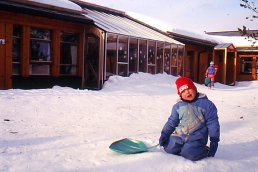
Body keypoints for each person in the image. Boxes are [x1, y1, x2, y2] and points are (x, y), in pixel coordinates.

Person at [159, 77, 220, 161]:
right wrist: (164, 134)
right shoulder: (178, 106)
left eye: (189, 88)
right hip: (181, 135)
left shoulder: (207, 105)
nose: (187, 92)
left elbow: (213, 123)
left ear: (195, 89)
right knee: (169, 148)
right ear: (180, 94)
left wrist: (214, 140)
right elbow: (171, 122)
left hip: (197, 137)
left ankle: (203, 150)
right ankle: (183, 148)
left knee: (188, 152)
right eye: (183, 91)